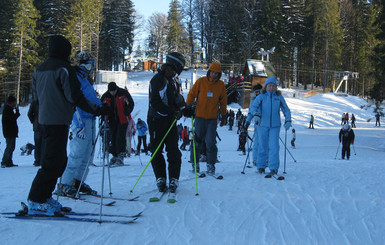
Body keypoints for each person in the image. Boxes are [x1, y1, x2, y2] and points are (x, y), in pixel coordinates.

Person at [27, 35, 108, 216]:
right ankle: (36, 200)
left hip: (46, 120)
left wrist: (34, 115)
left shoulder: (40, 68)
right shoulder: (64, 69)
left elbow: (36, 97)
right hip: (57, 120)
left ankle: (45, 197)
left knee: (57, 160)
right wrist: (97, 109)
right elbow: (75, 97)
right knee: (52, 162)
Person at [56, 51, 102, 197]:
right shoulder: (75, 77)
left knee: (88, 155)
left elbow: (91, 99)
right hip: (81, 121)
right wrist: (79, 124)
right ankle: (64, 183)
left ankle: (77, 181)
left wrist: (101, 108)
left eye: (92, 64)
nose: (90, 67)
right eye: (88, 64)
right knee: (77, 154)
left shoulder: (86, 79)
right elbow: (75, 102)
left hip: (91, 120)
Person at [147, 52, 193, 193]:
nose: (179, 70)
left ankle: (174, 178)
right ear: (174, 65)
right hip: (156, 120)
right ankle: (160, 177)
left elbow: (178, 99)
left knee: (173, 150)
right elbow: (154, 102)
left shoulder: (174, 80)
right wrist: (170, 112)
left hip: (170, 120)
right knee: (157, 150)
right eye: (179, 67)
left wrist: (185, 109)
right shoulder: (158, 80)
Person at [186, 62, 227, 175]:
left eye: (216, 73)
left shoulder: (221, 85)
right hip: (200, 117)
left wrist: (224, 115)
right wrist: (187, 105)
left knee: (210, 143)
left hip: (212, 119)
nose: (214, 74)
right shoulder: (201, 81)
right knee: (197, 141)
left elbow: (223, 102)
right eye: (212, 72)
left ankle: (211, 164)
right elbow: (192, 93)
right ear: (209, 72)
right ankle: (195, 163)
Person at [250, 77, 291, 175]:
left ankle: (273, 167)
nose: (272, 88)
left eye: (273, 86)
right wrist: (255, 114)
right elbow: (253, 106)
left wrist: (288, 119)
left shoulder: (279, 97)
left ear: (276, 87)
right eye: (270, 86)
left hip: (275, 126)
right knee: (262, 145)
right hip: (262, 125)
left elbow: (286, 109)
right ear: (266, 86)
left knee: (274, 147)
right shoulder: (261, 96)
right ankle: (261, 166)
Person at [101, 82, 134, 166]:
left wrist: (128, 109)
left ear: (116, 89)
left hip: (123, 118)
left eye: (114, 91)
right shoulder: (106, 96)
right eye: (111, 91)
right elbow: (101, 106)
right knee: (113, 137)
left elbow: (131, 103)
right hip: (112, 120)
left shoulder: (123, 93)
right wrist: (103, 115)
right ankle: (115, 155)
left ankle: (121, 155)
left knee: (120, 136)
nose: (112, 93)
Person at [244, 84, 263, 167]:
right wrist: (247, 122)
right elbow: (250, 112)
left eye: (259, 91)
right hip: (258, 124)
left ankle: (265, 159)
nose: (258, 93)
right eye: (256, 92)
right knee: (257, 142)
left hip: (267, 123)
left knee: (266, 142)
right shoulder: (253, 100)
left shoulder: (265, 98)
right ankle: (255, 159)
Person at [1, 95, 20, 168]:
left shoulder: (8, 109)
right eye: (14, 102)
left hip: (10, 131)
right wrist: (17, 113)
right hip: (9, 132)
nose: (14, 103)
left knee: (11, 147)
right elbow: (12, 119)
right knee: (9, 147)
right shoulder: (8, 109)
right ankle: (4, 161)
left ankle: (9, 161)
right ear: (11, 102)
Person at [28, 100, 44, 166]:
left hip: (37, 126)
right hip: (44, 126)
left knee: (37, 145)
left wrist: (33, 121)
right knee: (44, 144)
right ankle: (42, 160)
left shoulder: (34, 103)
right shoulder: (45, 100)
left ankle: (37, 160)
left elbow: (29, 114)